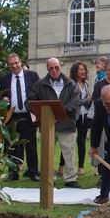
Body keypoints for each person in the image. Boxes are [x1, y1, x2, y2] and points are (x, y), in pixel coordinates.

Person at [29, 58, 81, 188]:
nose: (54, 70)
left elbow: (75, 102)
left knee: (69, 152)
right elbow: (31, 102)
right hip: (48, 125)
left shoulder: (70, 83)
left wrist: (60, 113)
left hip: (66, 123)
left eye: (56, 67)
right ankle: (47, 178)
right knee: (47, 153)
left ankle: (70, 179)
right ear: (47, 69)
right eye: (51, 68)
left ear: (60, 67)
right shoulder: (40, 84)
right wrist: (43, 115)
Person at [0, 53, 41, 181]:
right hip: (11, 116)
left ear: (20, 62)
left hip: (28, 116)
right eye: (11, 64)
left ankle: (33, 172)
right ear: (8, 66)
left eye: (16, 63)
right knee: (11, 145)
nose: (14, 66)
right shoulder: (4, 79)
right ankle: (13, 173)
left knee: (31, 145)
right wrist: (2, 98)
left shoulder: (33, 76)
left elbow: (39, 92)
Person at [71, 61, 92, 176]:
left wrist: (89, 101)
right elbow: (75, 103)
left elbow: (88, 99)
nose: (83, 71)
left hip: (85, 116)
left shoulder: (87, 84)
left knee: (81, 141)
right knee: (69, 142)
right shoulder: (72, 84)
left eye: (84, 69)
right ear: (76, 72)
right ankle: (62, 166)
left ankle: (81, 167)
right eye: (81, 70)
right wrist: (87, 99)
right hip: (74, 116)